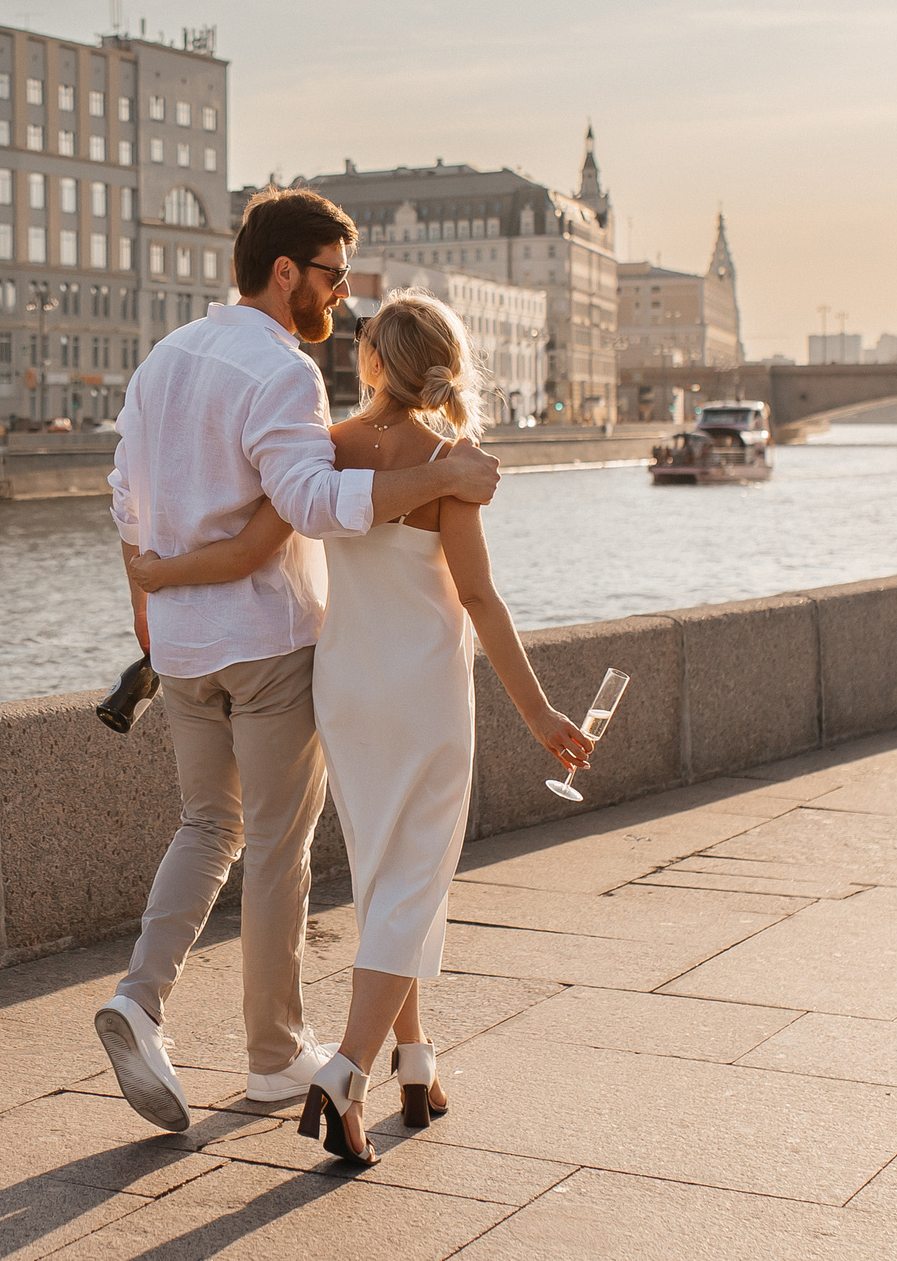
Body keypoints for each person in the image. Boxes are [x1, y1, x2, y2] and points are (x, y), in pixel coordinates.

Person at [129, 291, 591, 1165]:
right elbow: (480, 599)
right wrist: (539, 713)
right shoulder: (449, 465)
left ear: (372, 361)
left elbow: (266, 533)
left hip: (344, 687)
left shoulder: (332, 449)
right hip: (422, 689)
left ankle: (415, 1061)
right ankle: (347, 1071)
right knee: (414, 876)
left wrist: (158, 573)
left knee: (388, 872)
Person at [95, 190, 510, 1135]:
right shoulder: (281, 373)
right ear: (286, 272)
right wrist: (442, 474)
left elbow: (125, 498)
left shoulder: (163, 360)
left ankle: (139, 997)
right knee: (279, 845)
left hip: (184, 647)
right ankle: (277, 1054)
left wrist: (147, 607)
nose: (338, 293)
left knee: (208, 825)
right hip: (269, 640)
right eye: (330, 274)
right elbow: (314, 501)